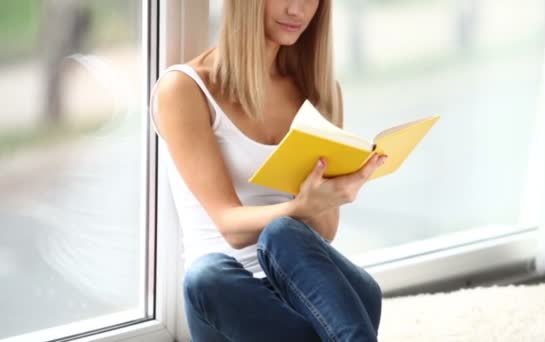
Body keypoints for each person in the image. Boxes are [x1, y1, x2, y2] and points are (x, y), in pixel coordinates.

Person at [150, 1, 387, 341]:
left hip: (321, 299)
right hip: (233, 307)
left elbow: (326, 232)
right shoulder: (184, 89)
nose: (297, 9)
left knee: (283, 235)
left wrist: (337, 192)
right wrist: (298, 208)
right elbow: (228, 224)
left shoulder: (320, 91)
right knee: (206, 275)